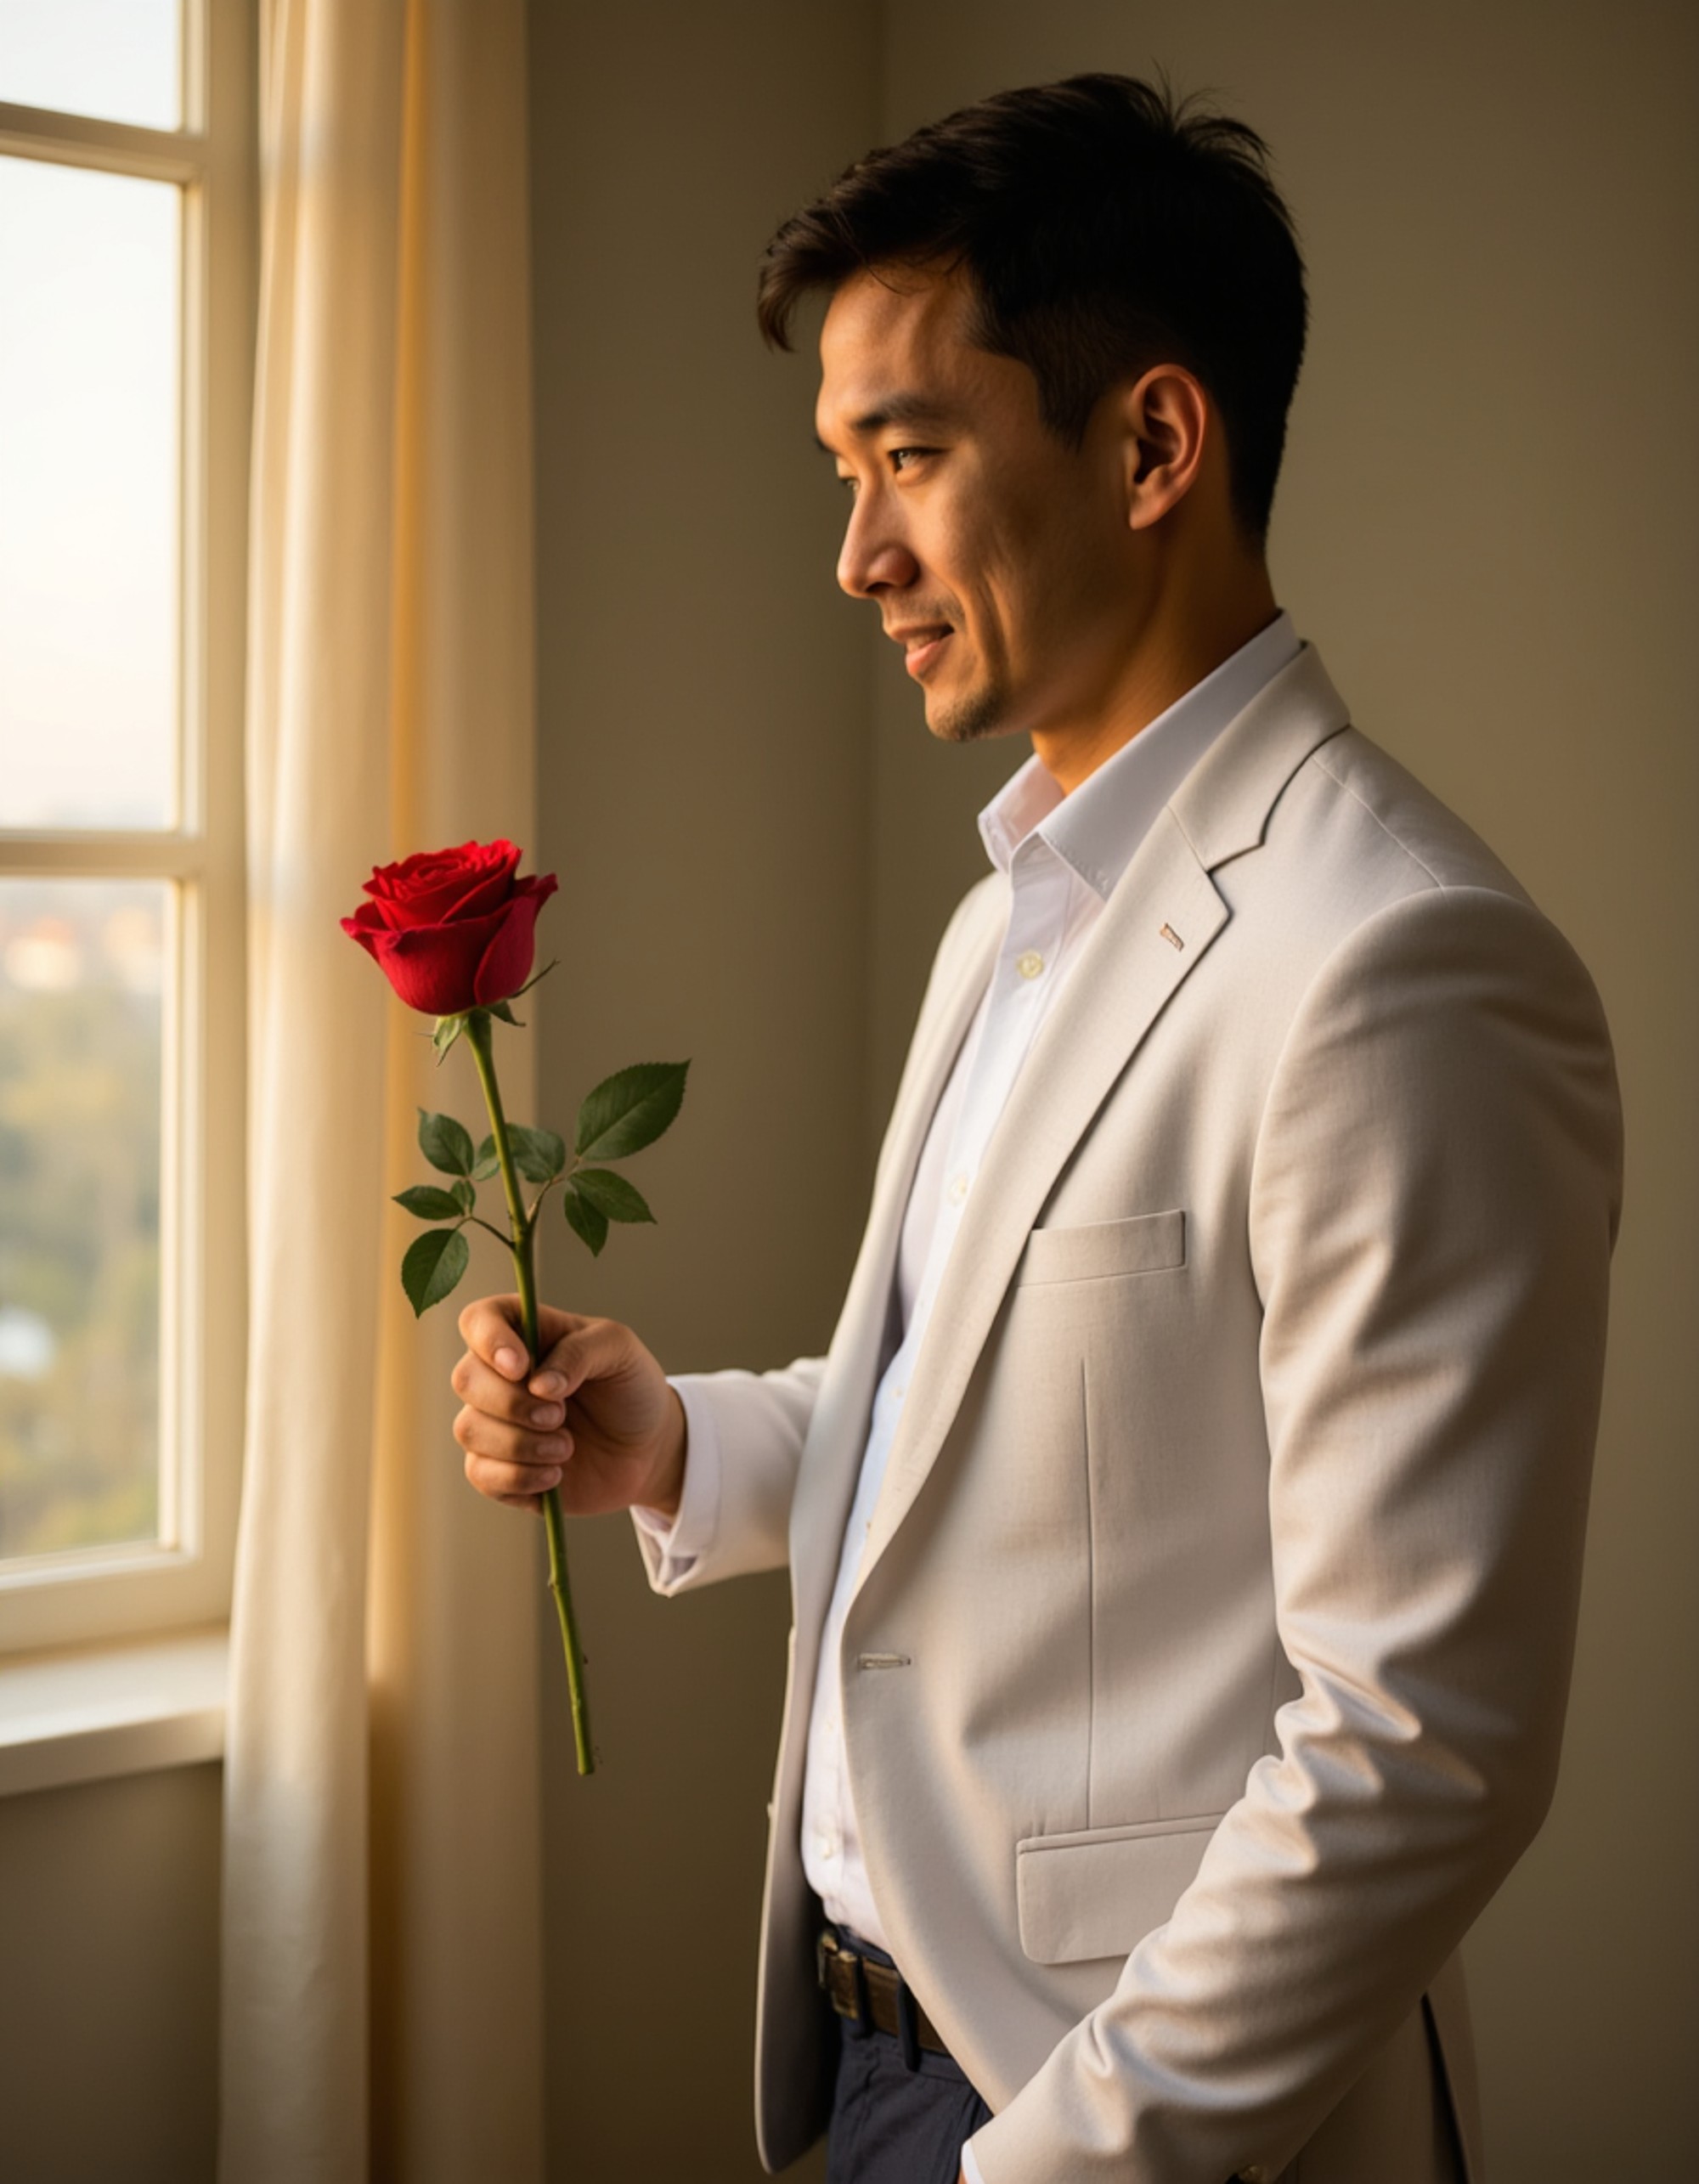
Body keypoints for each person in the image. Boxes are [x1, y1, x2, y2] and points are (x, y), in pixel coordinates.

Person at [450, 75, 1622, 2184]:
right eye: (842, 468)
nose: (852, 553)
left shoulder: (1406, 963)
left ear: (1154, 442)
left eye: (907, 455)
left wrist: (1045, 2168)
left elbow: (1421, 1742)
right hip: (858, 2067)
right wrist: (688, 1443)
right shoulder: (1011, 910)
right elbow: (1021, 1436)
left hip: (1103, 2125)